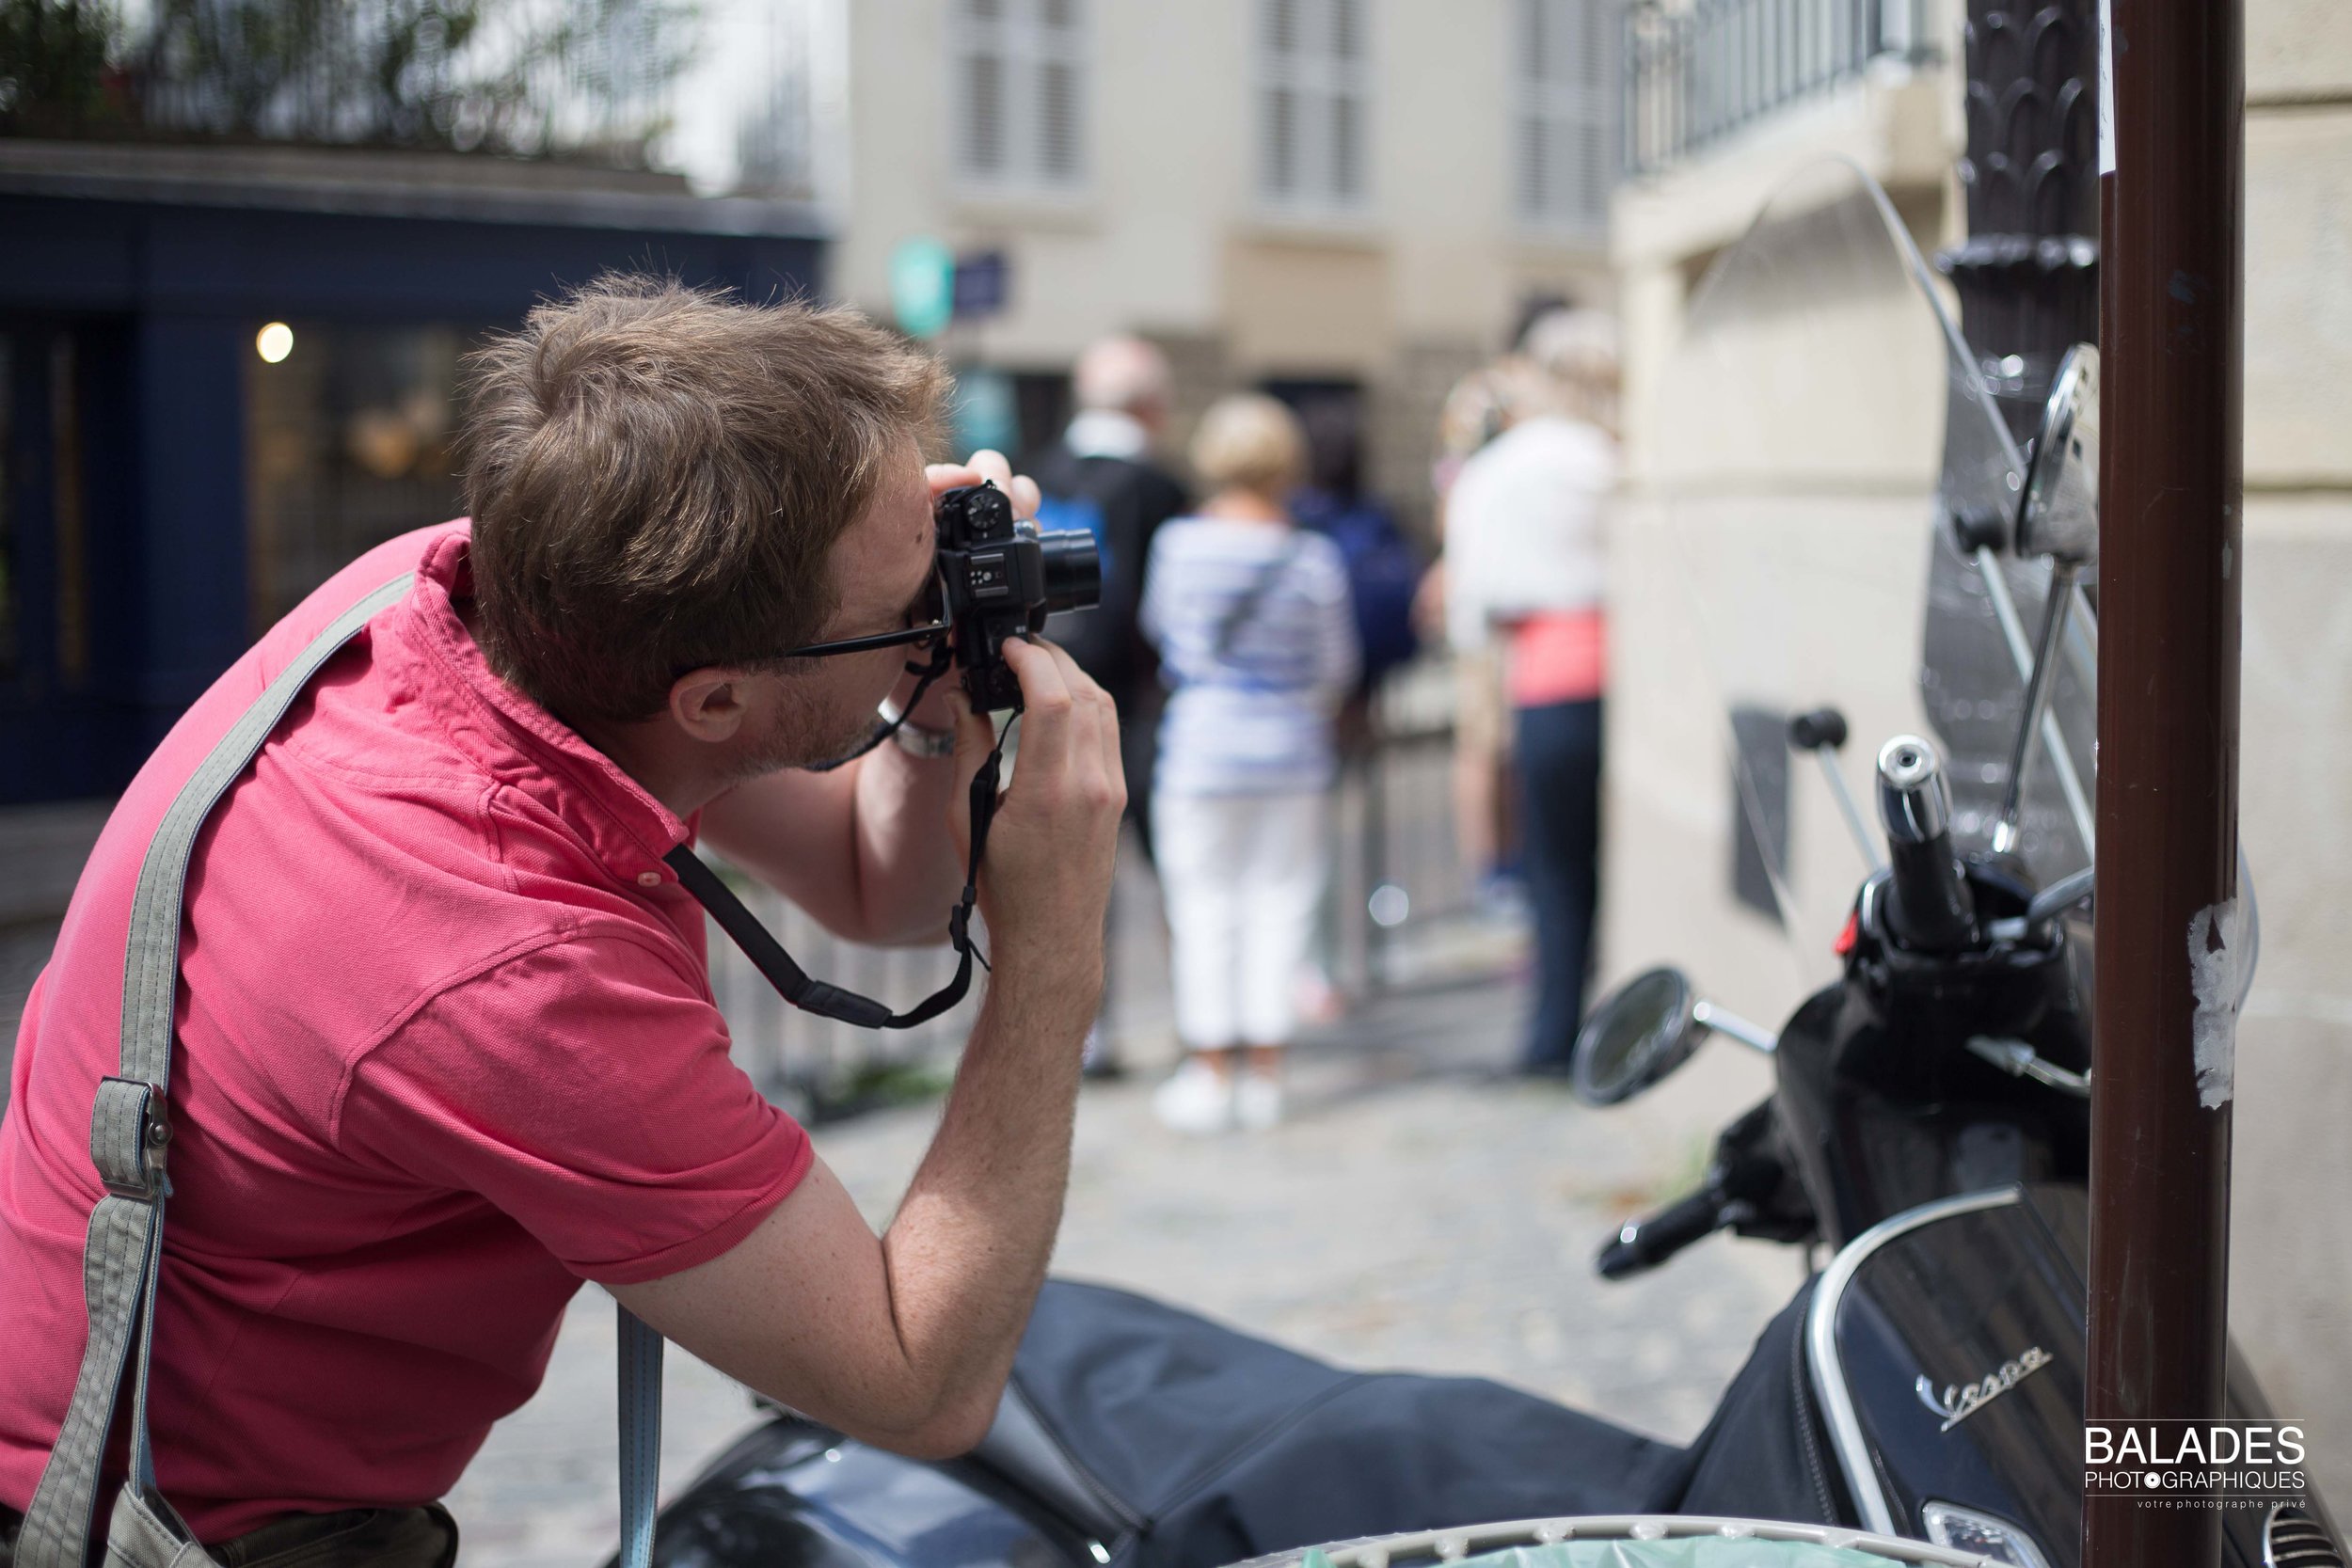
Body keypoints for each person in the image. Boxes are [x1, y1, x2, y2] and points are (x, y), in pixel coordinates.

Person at [0, 277, 1124, 1567]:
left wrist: (938, 691)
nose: (935, 599)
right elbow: (917, 1379)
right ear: (714, 700)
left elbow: (882, 894)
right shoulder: (504, 957)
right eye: (906, 597)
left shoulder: (475, 592)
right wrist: (1052, 957)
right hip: (185, 1524)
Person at [1140, 394, 1358, 1134]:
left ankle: (1210, 1069)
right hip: (1292, 753)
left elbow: (1164, 635)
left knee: (1203, 909)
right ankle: (1266, 1073)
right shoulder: (1313, 556)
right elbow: (1337, 664)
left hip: (1203, 750)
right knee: (1282, 904)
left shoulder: (1178, 545)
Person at [1439, 310, 1620, 1076]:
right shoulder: (1608, 459)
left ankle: (1552, 1034)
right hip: (1618, 668)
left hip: (1543, 680)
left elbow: (1471, 602)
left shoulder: (1497, 467)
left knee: (1554, 866)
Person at [1027, 336, 1191, 1078]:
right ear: (1152, 404)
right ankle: (1199, 1019)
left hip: (1052, 693)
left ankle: (1086, 1039)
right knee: (1173, 869)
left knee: (1073, 881)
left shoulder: (1041, 469)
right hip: (1143, 704)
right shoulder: (1159, 485)